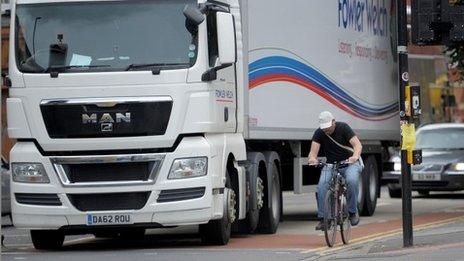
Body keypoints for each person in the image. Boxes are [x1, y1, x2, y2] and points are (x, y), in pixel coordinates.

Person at [308, 111, 363, 230]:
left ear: (334, 122)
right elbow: (313, 153)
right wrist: (312, 159)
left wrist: (355, 157)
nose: (326, 131)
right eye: (324, 129)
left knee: (352, 180)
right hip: (331, 164)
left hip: (349, 163)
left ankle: (353, 211)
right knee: (322, 186)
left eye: (328, 127)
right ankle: (324, 219)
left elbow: (357, 145)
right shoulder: (319, 133)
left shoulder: (344, 128)